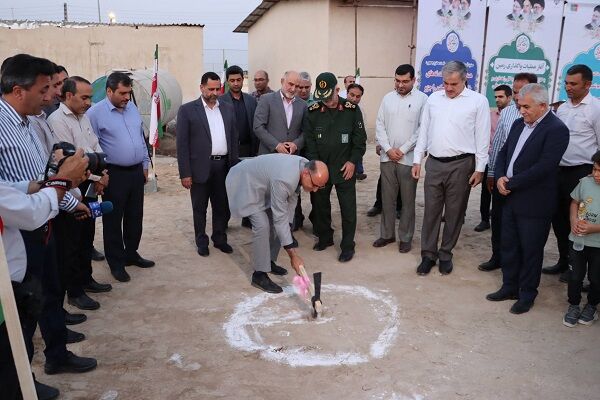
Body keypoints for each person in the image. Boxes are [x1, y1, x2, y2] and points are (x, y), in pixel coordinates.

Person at [0, 53, 97, 398]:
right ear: (17, 90)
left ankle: (56, 355)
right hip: (17, 234)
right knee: (22, 314)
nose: (50, 95)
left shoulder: (30, 123)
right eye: (44, 89)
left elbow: (41, 180)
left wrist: (70, 200)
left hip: (44, 222)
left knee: (49, 294)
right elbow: (16, 197)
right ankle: (20, 382)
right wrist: (63, 189)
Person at [0, 149, 89, 400]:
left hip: (12, 281)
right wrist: (61, 181)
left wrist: (38, 185)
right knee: (10, 355)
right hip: (7, 287)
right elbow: (30, 214)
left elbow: (8, 188)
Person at [486, 83, 569, 314]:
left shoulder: (557, 129)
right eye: (520, 106)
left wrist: (510, 183)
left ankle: (527, 293)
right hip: (510, 197)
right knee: (509, 245)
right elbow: (503, 152)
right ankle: (509, 286)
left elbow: (544, 167)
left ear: (543, 106)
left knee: (531, 250)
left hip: (535, 202)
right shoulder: (517, 123)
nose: (521, 111)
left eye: (526, 107)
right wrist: (501, 176)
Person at [412, 61, 490, 276]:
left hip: (462, 164)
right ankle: (428, 254)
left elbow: (482, 137)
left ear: (465, 80)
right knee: (431, 212)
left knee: (455, 213)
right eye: (445, 83)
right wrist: (418, 159)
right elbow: (424, 131)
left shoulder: (478, 102)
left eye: (453, 84)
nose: (448, 88)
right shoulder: (433, 99)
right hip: (434, 163)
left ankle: (445, 254)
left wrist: (480, 168)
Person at [48, 76, 112, 303]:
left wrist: (102, 175)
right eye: (84, 97)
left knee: (87, 236)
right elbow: (71, 160)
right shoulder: (57, 120)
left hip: (92, 184)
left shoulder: (83, 118)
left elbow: (96, 148)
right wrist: (96, 172)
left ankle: (86, 279)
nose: (89, 102)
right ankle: (74, 292)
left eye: (90, 98)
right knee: (71, 242)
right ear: (68, 96)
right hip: (72, 187)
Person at [87, 72, 155, 282]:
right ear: (109, 91)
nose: (127, 97)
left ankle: (131, 253)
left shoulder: (132, 108)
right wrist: (100, 176)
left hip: (136, 172)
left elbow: (140, 139)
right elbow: (92, 145)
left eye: (129, 93)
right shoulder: (95, 113)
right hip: (113, 174)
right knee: (113, 220)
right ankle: (116, 263)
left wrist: (145, 164)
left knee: (135, 216)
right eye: (122, 93)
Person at [226, 154, 329, 293]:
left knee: (282, 225)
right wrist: (293, 256)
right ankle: (259, 274)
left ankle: (268, 260)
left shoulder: (304, 165)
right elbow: (280, 217)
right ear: (306, 173)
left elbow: (291, 203)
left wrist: (288, 225)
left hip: (265, 185)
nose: (315, 190)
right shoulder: (285, 179)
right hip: (246, 182)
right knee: (262, 225)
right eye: (315, 185)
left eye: (319, 187)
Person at [543, 65, 600, 283]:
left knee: (580, 220)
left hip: (583, 173)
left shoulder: (595, 109)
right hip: (559, 171)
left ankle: (579, 269)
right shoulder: (563, 108)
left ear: (587, 84)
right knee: (559, 218)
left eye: (573, 84)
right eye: (566, 83)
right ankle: (563, 260)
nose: (568, 87)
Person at [305, 72, 367, 262]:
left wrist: (352, 162)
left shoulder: (351, 110)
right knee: (320, 206)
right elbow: (310, 142)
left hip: (344, 167)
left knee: (348, 208)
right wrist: (315, 166)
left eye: (329, 97)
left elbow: (360, 141)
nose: (326, 102)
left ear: (337, 90)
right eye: (321, 98)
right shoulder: (313, 111)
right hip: (322, 169)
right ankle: (325, 238)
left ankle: (348, 245)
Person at [479, 73, 537, 272]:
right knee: (498, 218)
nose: (518, 96)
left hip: (525, 183)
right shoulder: (508, 113)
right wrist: (492, 172)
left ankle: (516, 262)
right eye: (515, 92)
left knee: (520, 224)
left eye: (523, 91)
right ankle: (497, 256)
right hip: (501, 176)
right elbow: (498, 145)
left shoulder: (542, 118)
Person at [177, 71, 239, 257]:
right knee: (200, 207)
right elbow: (182, 145)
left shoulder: (228, 109)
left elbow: (233, 139)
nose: (214, 93)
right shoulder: (187, 110)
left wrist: (234, 168)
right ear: (202, 88)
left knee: (221, 205)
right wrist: (185, 173)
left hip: (223, 166)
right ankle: (201, 241)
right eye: (210, 89)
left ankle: (220, 239)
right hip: (200, 168)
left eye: (217, 89)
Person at [373, 64, 427, 254]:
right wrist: (388, 149)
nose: (400, 85)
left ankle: (405, 237)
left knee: (407, 201)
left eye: (405, 81)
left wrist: (402, 149)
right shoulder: (387, 98)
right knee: (387, 200)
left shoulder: (423, 100)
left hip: (408, 159)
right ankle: (387, 234)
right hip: (387, 158)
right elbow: (379, 125)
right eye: (397, 81)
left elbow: (422, 129)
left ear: (414, 80)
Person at [253, 70, 307, 230]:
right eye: (290, 84)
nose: (293, 88)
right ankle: (269, 234)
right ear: (282, 81)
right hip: (270, 158)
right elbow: (258, 127)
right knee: (268, 198)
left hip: (292, 161)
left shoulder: (303, 105)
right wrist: (276, 145)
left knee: (291, 199)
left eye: (297, 86)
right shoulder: (267, 100)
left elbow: (306, 132)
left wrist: (296, 144)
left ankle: (287, 233)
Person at [563, 151, 600, 327]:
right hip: (578, 241)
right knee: (575, 275)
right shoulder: (585, 183)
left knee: (596, 277)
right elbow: (574, 202)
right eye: (595, 169)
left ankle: (592, 306)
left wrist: (594, 228)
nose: (596, 175)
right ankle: (574, 305)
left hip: (598, 245)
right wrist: (573, 221)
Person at [475, 84, 513, 233]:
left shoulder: (515, 116)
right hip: (488, 158)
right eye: (496, 97)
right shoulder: (489, 116)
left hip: (505, 161)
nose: (497, 99)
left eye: (501, 97)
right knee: (486, 190)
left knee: (502, 190)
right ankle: (485, 219)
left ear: (509, 97)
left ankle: (501, 220)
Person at [219, 65, 258, 158]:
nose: (236, 83)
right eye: (232, 81)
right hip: (228, 150)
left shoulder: (251, 100)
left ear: (242, 80)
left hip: (249, 150)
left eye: (238, 80)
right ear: (227, 81)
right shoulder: (220, 102)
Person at [346, 83, 368, 181]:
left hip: (355, 146)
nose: (354, 99)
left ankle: (359, 172)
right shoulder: (339, 107)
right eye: (352, 95)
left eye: (358, 96)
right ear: (347, 93)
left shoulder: (360, 109)